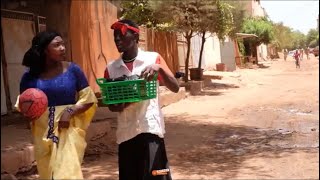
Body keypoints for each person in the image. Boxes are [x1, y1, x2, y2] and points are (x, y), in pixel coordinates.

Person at [15, 31, 98, 179]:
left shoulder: (73, 70)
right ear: (44, 50)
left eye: (63, 44)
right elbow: (24, 106)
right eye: (57, 45)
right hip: (42, 134)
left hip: (68, 131)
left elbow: (88, 99)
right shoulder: (29, 77)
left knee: (67, 173)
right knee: (49, 175)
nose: (62, 48)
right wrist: (27, 113)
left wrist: (70, 111)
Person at [104, 19, 179, 180]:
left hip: (150, 129)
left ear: (136, 38)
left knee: (157, 174)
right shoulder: (111, 69)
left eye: (122, 35)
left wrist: (159, 69)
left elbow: (175, 87)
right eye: (115, 36)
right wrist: (122, 103)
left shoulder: (153, 59)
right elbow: (112, 106)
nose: (117, 39)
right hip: (126, 133)